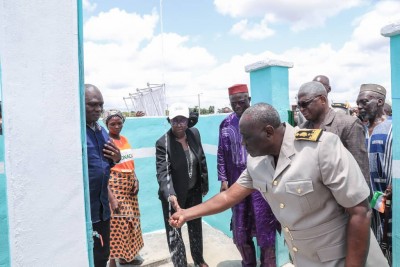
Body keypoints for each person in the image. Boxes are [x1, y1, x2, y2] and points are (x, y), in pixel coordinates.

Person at [170, 103, 388, 267]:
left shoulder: (321, 148)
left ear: (268, 132)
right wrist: (187, 213)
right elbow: (228, 196)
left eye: (246, 138)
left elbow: (360, 212)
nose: (243, 145)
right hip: (304, 259)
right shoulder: (257, 162)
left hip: (345, 258)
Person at [217, 84, 278, 267]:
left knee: (265, 230)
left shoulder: (260, 121)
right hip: (237, 181)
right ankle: (248, 263)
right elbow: (221, 153)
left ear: (249, 100)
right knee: (240, 232)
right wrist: (223, 179)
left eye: (241, 102)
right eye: (233, 103)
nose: (237, 106)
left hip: (261, 181)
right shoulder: (226, 124)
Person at [155, 103, 209, 267]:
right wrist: (170, 194)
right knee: (174, 233)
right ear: (170, 121)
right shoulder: (163, 142)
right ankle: (181, 264)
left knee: (195, 228)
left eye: (182, 120)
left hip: (194, 192)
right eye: (175, 120)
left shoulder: (194, 134)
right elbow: (163, 173)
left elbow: (201, 159)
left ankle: (199, 261)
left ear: (188, 121)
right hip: (174, 197)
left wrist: (204, 183)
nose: (179, 124)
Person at [297, 81, 370, 188]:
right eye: (299, 105)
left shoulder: (348, 125)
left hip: (341, 197)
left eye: (305, 104)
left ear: (322, 100)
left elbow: (360, 170)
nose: (301, 109)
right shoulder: (301, 129)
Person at [85, 84, 121, 267]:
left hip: (102, 210)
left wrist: (117, 157)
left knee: (102, 254)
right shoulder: (75, 132)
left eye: (101, 104)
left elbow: (108, 161)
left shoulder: (101, 130)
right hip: (84, 211)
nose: (98, 109)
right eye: (92, 104)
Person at [357, 84, 393, 264]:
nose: (360, 107)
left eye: (364, 102)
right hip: (364, 204)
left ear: (380, 102)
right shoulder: (358, 130)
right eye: (358, 103)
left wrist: (394, 185)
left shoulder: (393, 129)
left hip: (388, 202)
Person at [103, 110, 144, 267]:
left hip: (129, 184)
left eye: (119, 123)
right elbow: (104, 169)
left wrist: (136, 179)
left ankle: (126, 256)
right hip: (115, 185)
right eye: (112, 124)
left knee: (131, 221)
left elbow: (129, 162)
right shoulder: (106, 141)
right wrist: (111, 197)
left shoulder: (124, 139)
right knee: (116, 223)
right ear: (107, 124)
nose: (116, 126)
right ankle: (112, 261)